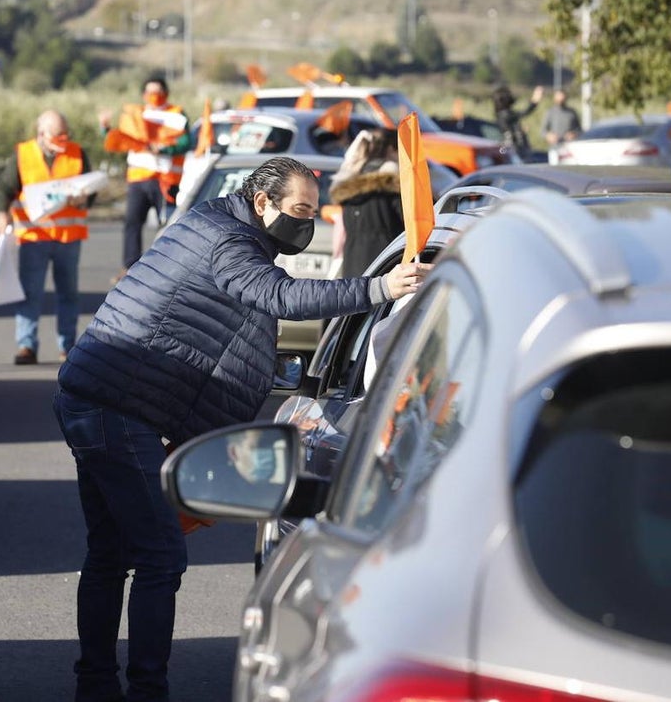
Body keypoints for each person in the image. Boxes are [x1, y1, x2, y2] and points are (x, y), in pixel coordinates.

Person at [53, 156, 428, 702]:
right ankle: (143, 689)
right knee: (159, 555)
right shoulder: (231, 243)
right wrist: (382, 288)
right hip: (115, 405)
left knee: (111, 551)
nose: (310, 224)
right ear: (262, 203)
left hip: (99, 395)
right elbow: (281, 297)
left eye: (315, 211)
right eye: (301, 211)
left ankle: (97, 684)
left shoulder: (216, 222)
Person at [0, 110, 93, 366]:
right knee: (30, 292)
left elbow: (90, 188)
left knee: (68, 293)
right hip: (34, 236)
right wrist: (0, 213)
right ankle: (26, 345)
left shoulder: (77, 152)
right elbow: (5, 188)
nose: (63, 139)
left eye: (65, 134)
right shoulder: (23, 154)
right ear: (42, 134)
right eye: (58, 134)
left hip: (68, 237)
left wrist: (85, 198)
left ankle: (68, 345)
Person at [99, 77, 191, 279]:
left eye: (159, 91)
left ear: (166, 93)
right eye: (150, 92)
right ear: (143, 95)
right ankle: (130, 267)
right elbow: (119, 140)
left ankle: (170, 268)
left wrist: (166, 149)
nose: (155, 96)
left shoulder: (176, 114)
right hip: (138, 178)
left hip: (165, 179)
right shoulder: (135, 115)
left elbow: (186, 141)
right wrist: (104, 129)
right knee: (132, 222)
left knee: (168, 224)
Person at [329, 128, 403, 278]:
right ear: (391, 149)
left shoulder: (349, 188)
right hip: (386, 272)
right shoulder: (393, 186)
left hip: (352, 273)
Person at [492, 84, 544, 162]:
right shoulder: (506, 115)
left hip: (508, 151)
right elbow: (525, 112)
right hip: (515, 152)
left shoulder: (500, 116)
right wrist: (534, 101)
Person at [541, 88, 582, 159]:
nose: (560, 101)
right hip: (555, 148)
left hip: (570, 149)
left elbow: (580, 130)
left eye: (562, 99)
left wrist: (573, 134)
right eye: (558, 99)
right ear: (554, 99)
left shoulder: (571, 113)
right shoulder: (550, 112)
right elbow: (543, 131)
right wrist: (549, 136)